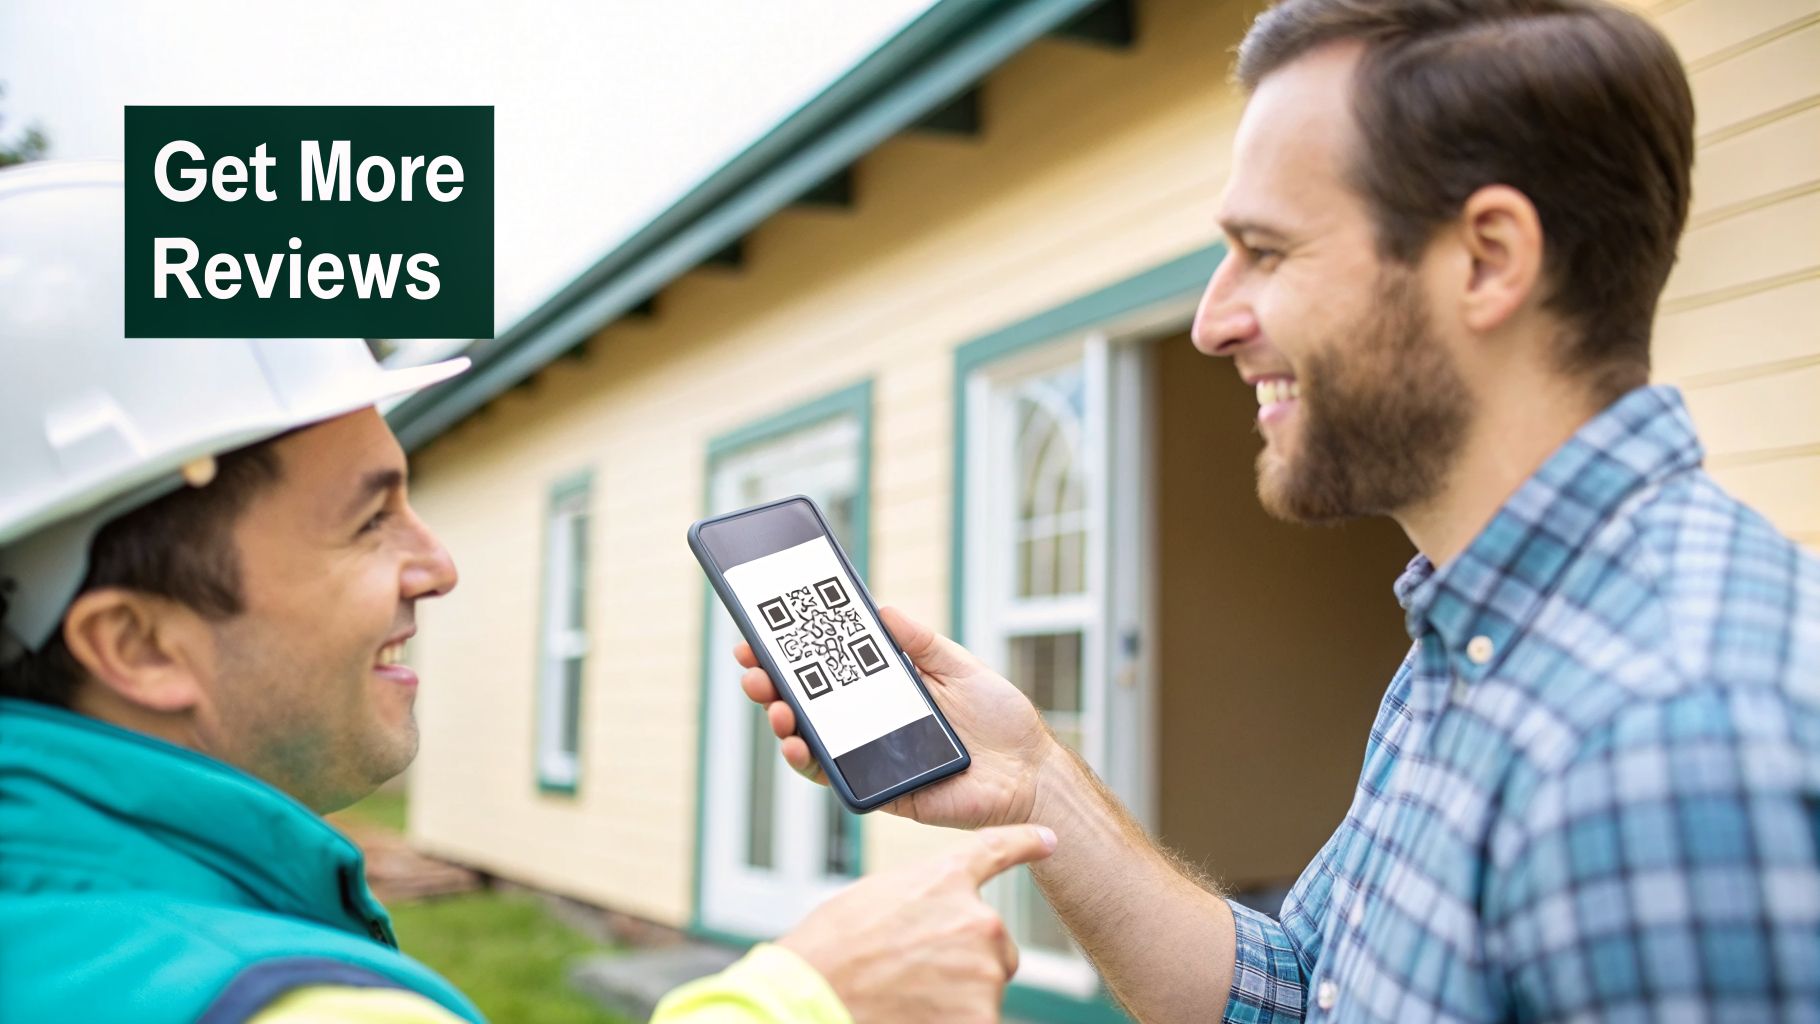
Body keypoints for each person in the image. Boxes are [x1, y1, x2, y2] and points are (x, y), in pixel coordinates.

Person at [739, 1, 1820, 1020]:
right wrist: (1038, 781)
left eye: (1265, 251)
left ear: (1487, 260)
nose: (1212, 322)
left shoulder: (1672, 738)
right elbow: (1299, 993)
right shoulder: (1471, 641)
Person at [0, 160, 1053, 1024]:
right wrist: (815, 1003)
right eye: (369, 521)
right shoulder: (275, 1001)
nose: (438, 566)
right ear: (138, 643)